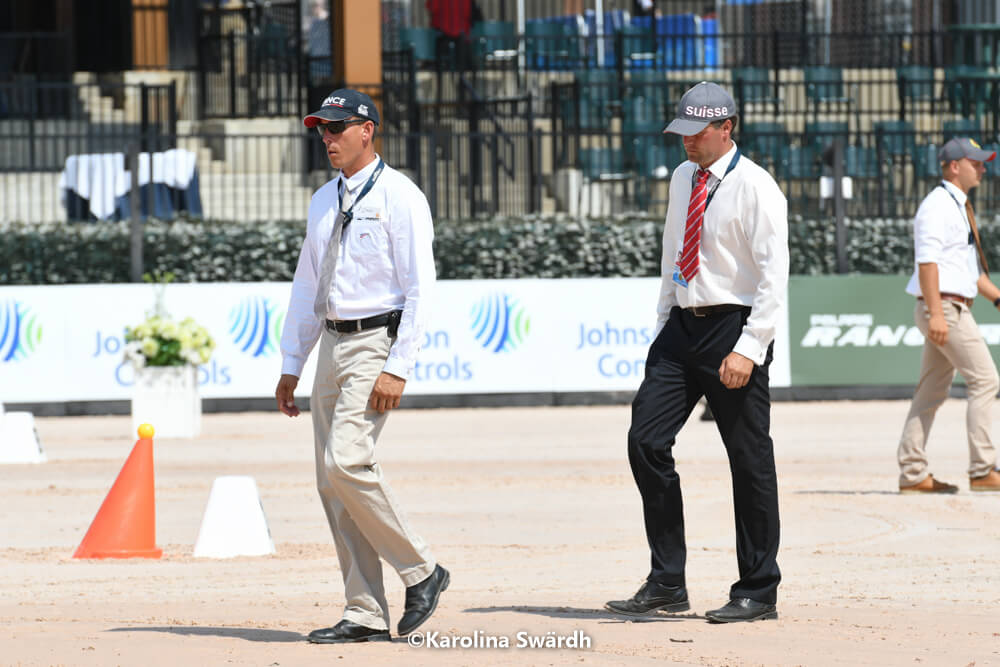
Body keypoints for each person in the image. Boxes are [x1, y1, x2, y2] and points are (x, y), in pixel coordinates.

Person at [605, 81, 788, 624]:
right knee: (645, 441)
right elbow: (673, 253)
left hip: (734, 326)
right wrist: (664, 326)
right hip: (681, 329)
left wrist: (750, 346)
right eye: (681, 130)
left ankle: (758, 589)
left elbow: (775, 276)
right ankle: (667, 581)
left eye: (697, 130)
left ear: (726, 128)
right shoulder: (684, 177)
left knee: (749, 460)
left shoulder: (757, 187)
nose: (686, 140)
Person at [275, 88, 449, 644]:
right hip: (330, 342)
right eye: (321, 130)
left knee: (346, 460)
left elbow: (421, 289)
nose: (326, 138)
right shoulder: (322, 200)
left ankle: (421, 569)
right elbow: (308, 283)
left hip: (376, 341)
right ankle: (365, 611)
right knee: (332, 483)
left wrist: (399, 366)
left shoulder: (401, 196)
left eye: (336, 127)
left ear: (367, 130)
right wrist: (292, 361)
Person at [896, 137, 1000, 494]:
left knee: (931, 391)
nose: (982, 168)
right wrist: (937, 314)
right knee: (986, 380)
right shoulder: (938, 206)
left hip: (947, 305)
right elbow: (927, 263)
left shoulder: (955, 205)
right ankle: (983, 469)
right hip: (944, 307)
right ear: (955, 166)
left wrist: (997, 298)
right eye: (976, 162)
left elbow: (968, 270)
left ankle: (913, 473)